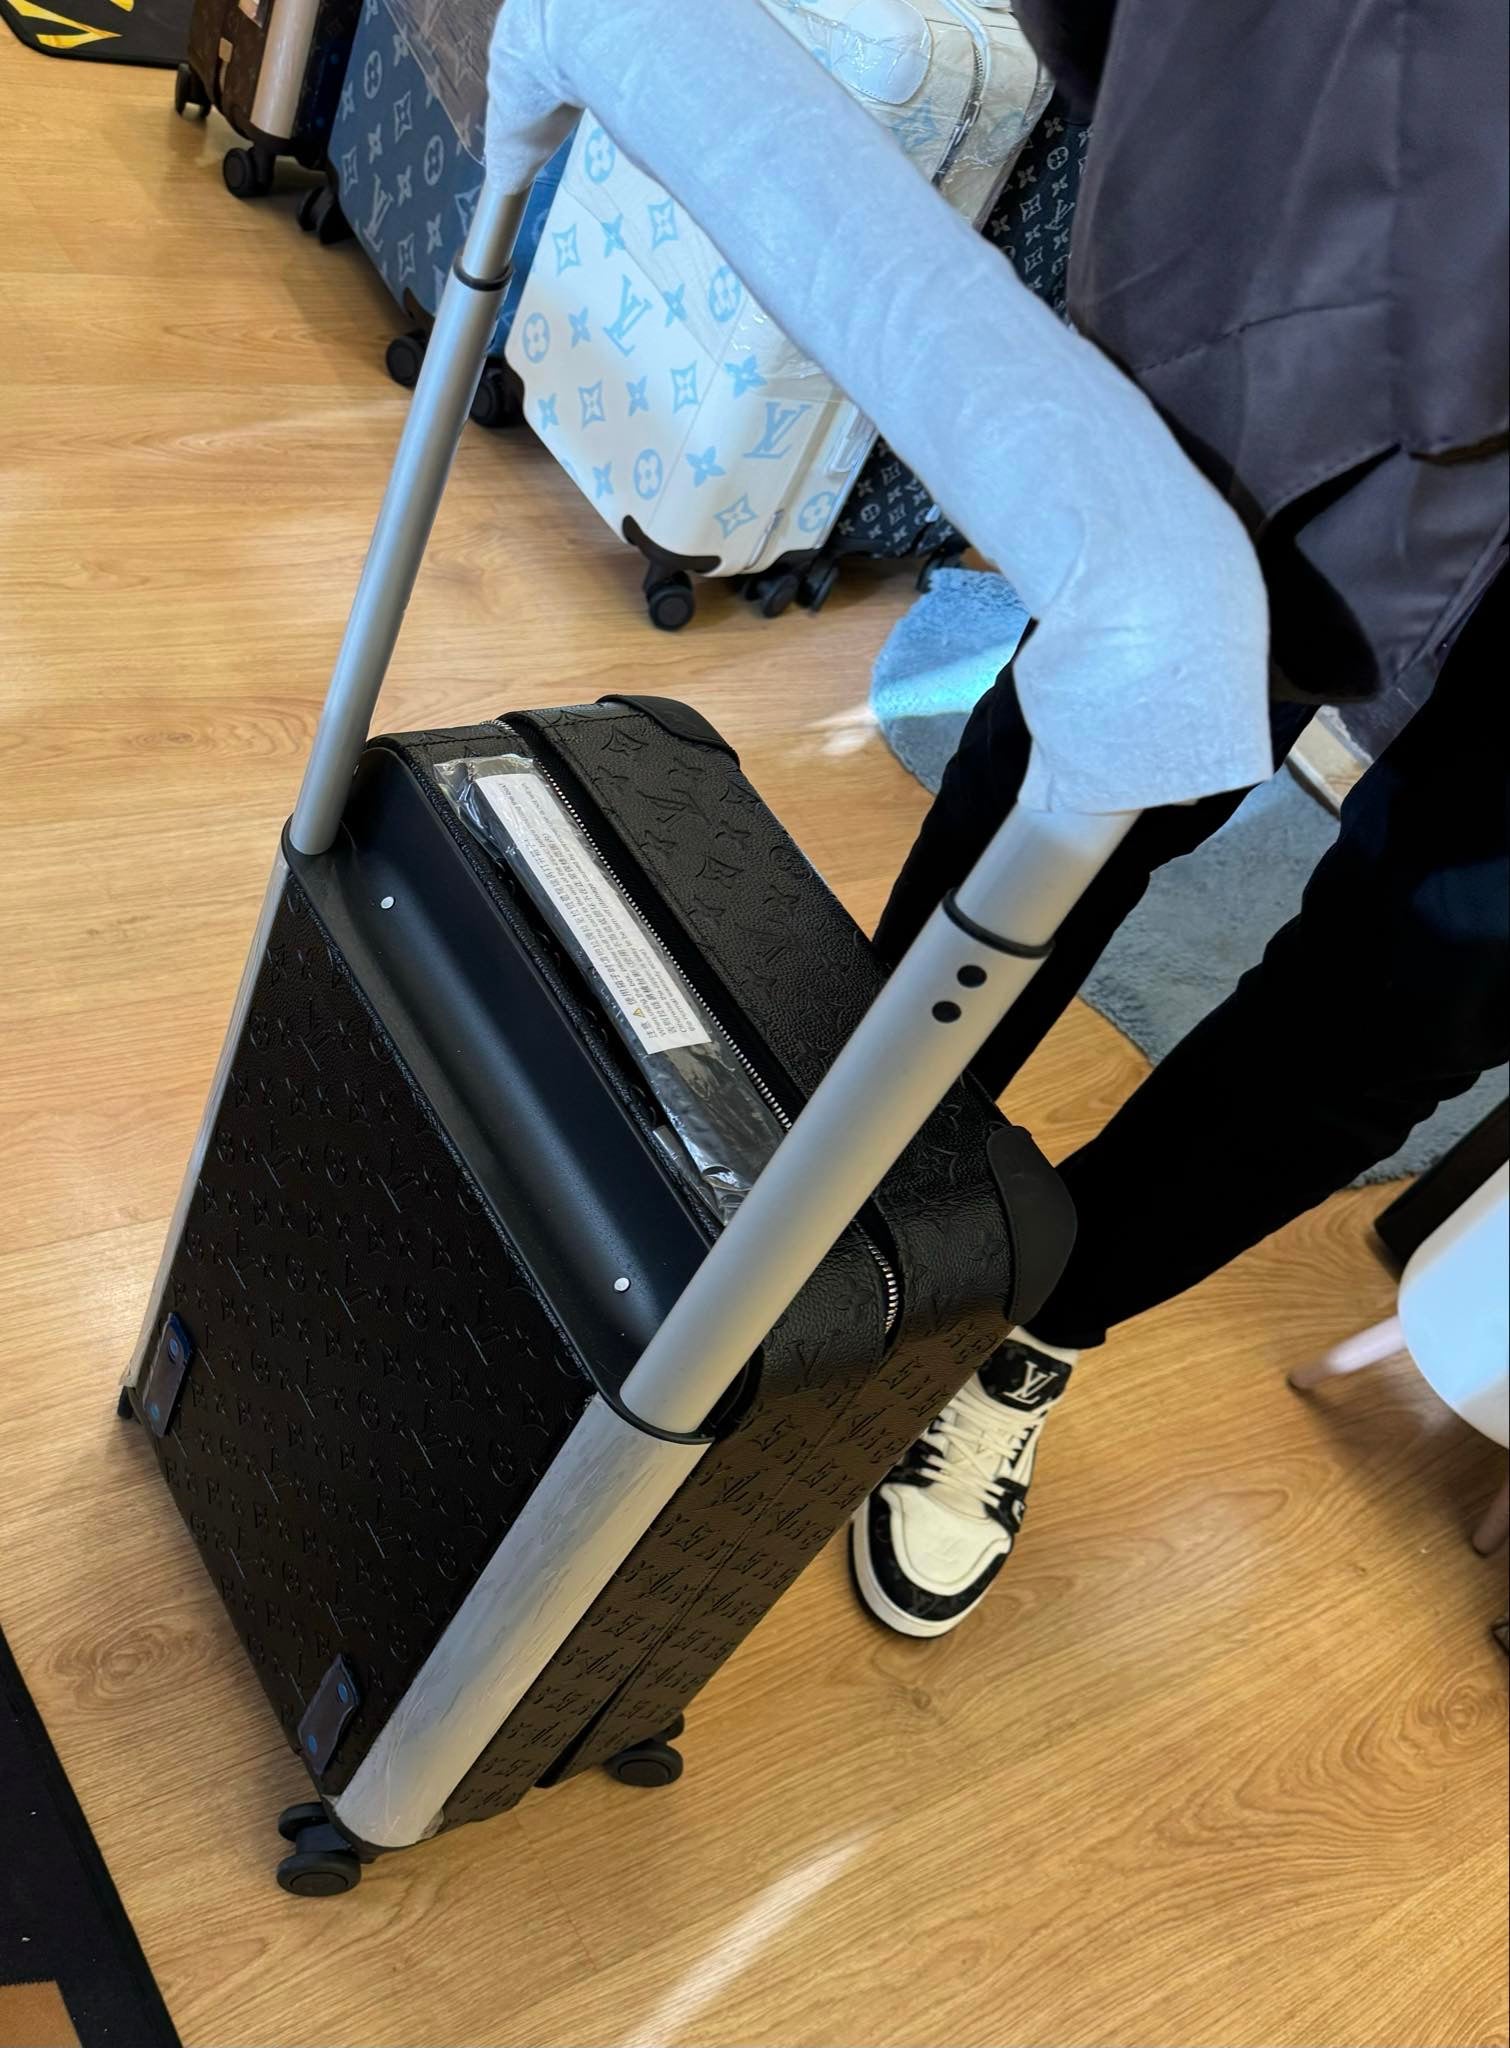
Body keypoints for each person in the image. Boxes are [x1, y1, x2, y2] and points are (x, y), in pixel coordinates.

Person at [849, 0, 1509, 1638]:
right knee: (1100, 746)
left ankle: (1036, 1330)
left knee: (1421, 1003)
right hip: (1368, 254)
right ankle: (838, 1193)